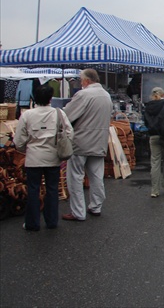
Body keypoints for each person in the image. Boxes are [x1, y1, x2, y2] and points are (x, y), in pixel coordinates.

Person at [14, 85, 73, 230]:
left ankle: (32, 223)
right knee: (52, 189)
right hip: (53, 157)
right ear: (50, 99)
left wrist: (25, 149)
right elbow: (69, 133)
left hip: (33, 158)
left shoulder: (27, 115)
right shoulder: (59, 113)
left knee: (33, 190)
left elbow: (19, 140)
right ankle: (52, 221)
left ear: (35, 98)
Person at [62, 69, 113, 221]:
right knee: (97, 176)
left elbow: (67, 115)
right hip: (99, 141)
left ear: (86, 81)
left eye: (81, 80)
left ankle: (78, 212)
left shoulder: (83, 95)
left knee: (75, 177)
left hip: (81, 141)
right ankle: (96, 206)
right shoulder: (106, 95)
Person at [144, 87, 164, 197]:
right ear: (163, 94)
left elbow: (146, 121)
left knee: (155, 162)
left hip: (153, 135)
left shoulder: (149, 106)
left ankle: (154, 190)